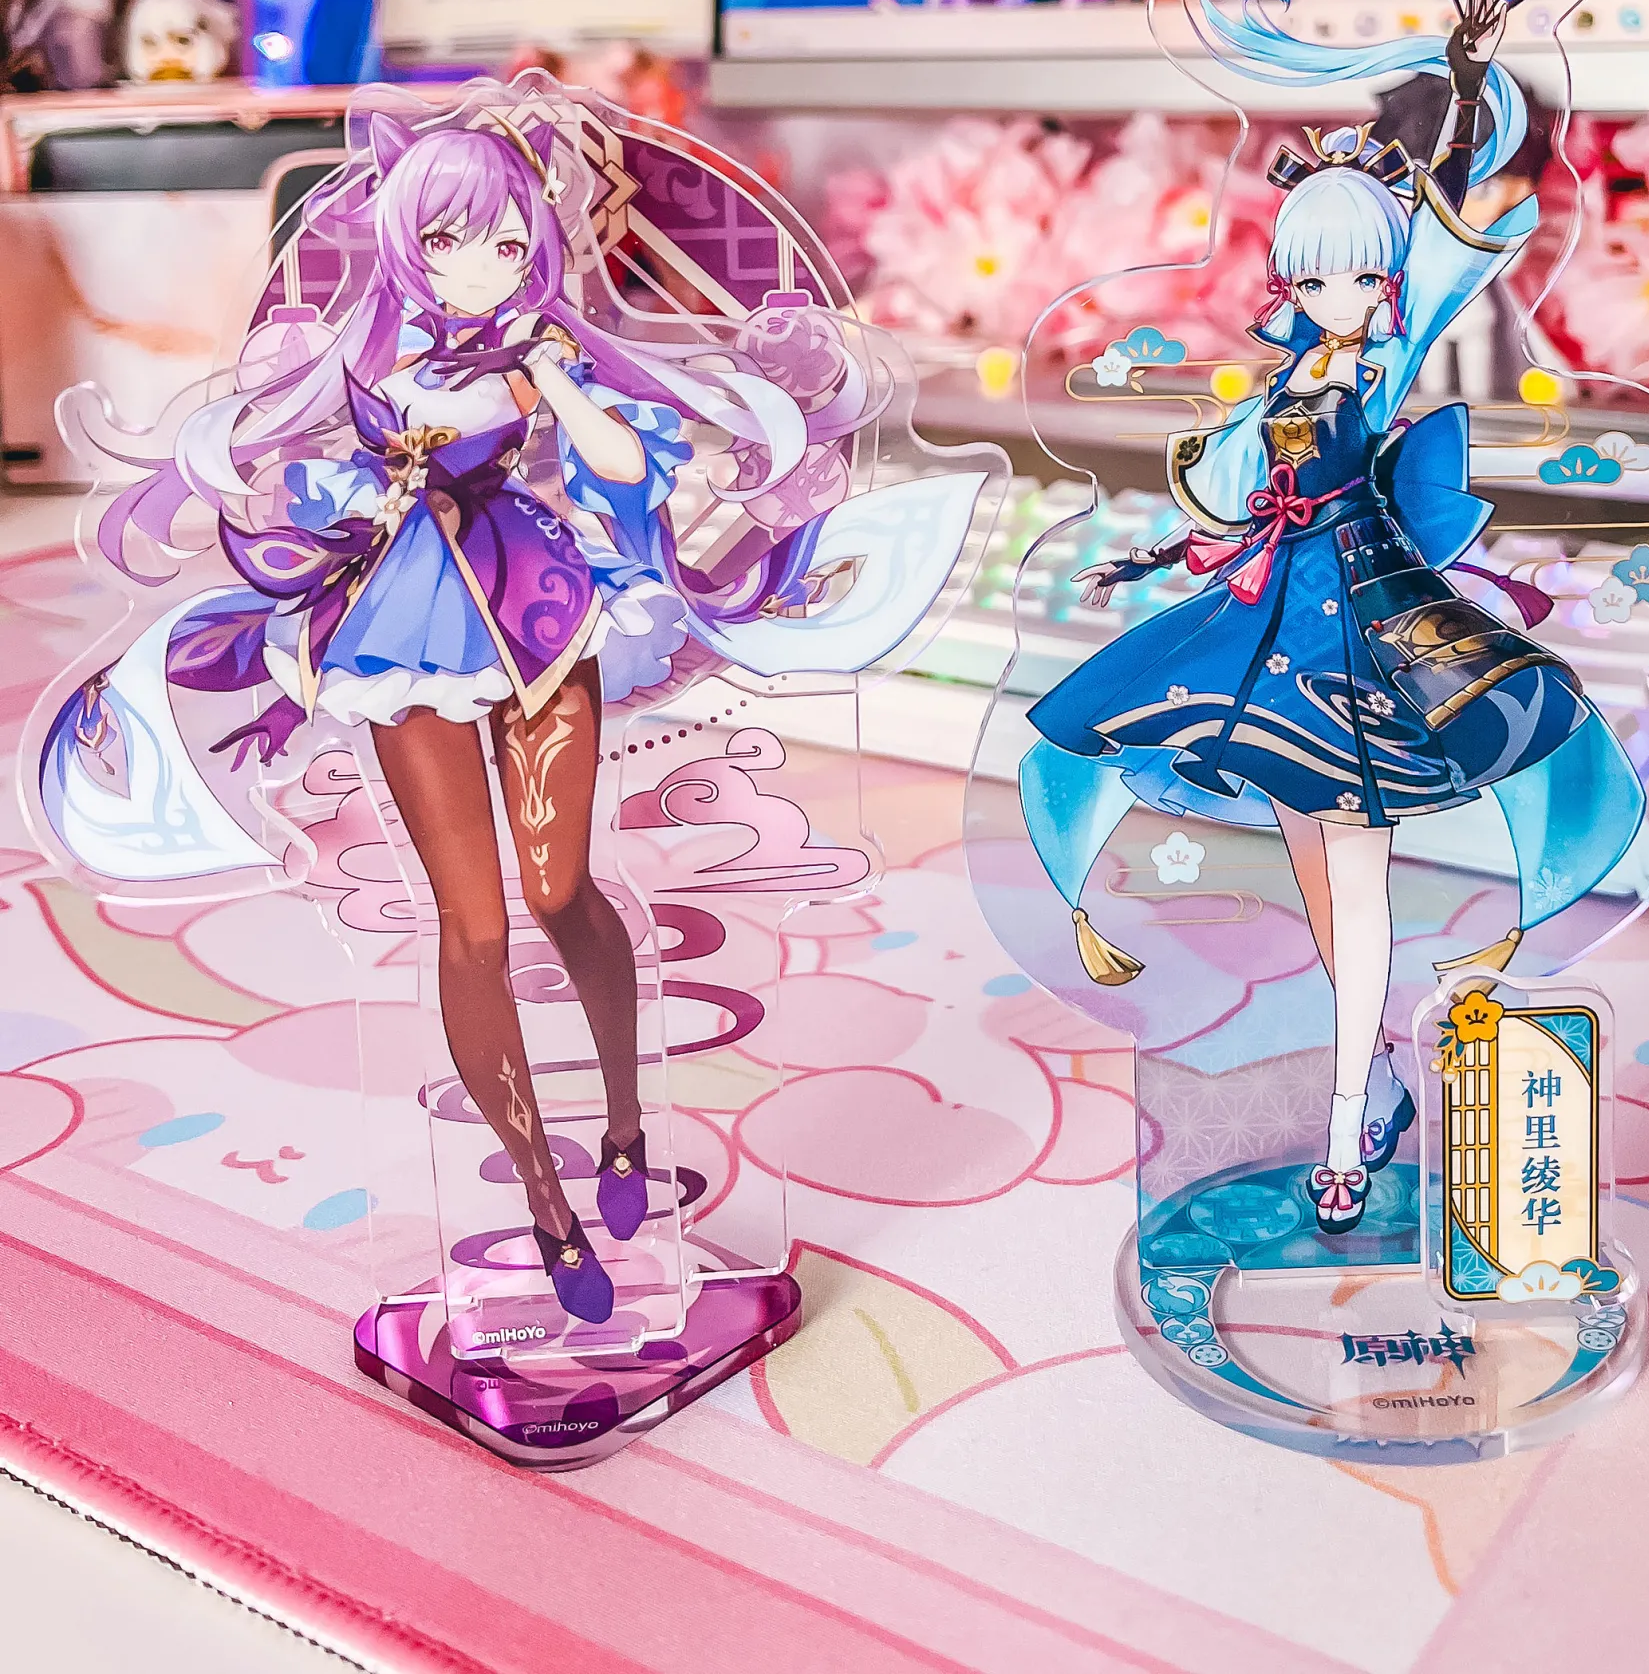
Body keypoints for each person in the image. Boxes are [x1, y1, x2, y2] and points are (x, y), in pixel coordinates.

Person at [38, 86, 983, 1317]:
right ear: (405, 244)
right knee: (471, 923)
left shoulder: (549, 355)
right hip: (399, 628)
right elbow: (302, 477)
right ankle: (543, 1200)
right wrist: (345, 494)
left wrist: (555, 376)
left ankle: (628, 1125)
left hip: (536, 606)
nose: (477, 264)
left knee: (559, 889)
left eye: (500, 239)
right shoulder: (370, 363)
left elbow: (627, 466)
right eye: (446, 239)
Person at [1016, 0, 1645, 1236]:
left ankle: (1350, 1118)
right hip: (1271, 617)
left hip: (1362, 627)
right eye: (1319, 273)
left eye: (1364, 271)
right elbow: (1240, 499)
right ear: (1289, 280)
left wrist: (1464, 86)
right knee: (1311, 858)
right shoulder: (1287, 377)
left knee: (1354, 878)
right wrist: (1148, 559)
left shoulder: (1377, 360)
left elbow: (1451, 225)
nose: (1345, 291)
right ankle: (1377, 1080)